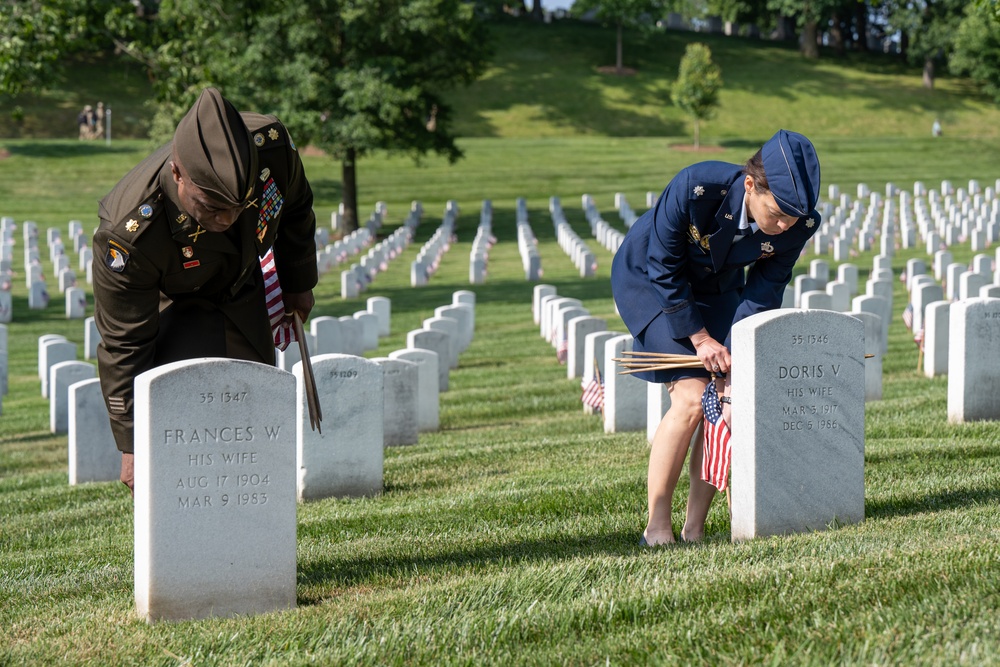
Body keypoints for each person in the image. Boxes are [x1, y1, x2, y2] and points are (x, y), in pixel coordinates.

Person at [93, 87, 318, 494]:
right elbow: (124, 343)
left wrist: (297, 282)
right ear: (178, 174)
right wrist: (130, 443)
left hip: (243, 284)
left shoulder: (271, 150)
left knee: (255, 413)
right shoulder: (131, 234)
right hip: (176, 304)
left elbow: (297, 205)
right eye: (212, 206)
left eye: (239, 204)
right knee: (183, 426)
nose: (229, 218)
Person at [610, 129, 822, 546]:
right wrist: (702, 339)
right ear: (750, 185)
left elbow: (763, 291)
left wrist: (732, 363)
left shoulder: (798, 226)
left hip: (718, 287)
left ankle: (694, 528)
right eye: (776, 214)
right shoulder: (695, 188)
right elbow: (664, 267)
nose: (781, 228)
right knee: (691, 396)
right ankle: (657, 526)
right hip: (652, 283)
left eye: (791, 220)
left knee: (720, 402)